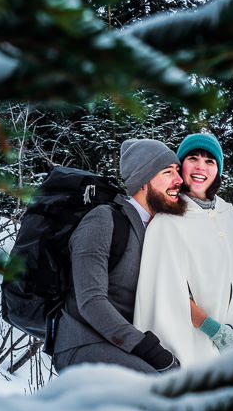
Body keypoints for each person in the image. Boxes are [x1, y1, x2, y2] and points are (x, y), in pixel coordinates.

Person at [133, 133, 233, 366]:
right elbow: (165, 292)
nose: (200, 167)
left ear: (218, 170)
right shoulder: (167, 221)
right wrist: (213, 329)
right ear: (179, 167)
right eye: (192, 158)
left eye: (210, 161)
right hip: (199, 345)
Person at [53, 138, 184, 374]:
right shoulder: (103, 220)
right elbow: (91, 302)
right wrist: (148, 348)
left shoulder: (160, 229)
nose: (179, 180)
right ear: (143, 182)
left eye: (177, 171)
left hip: (121, 345)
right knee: (160, 385)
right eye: (168, 172)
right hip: (83, 343)